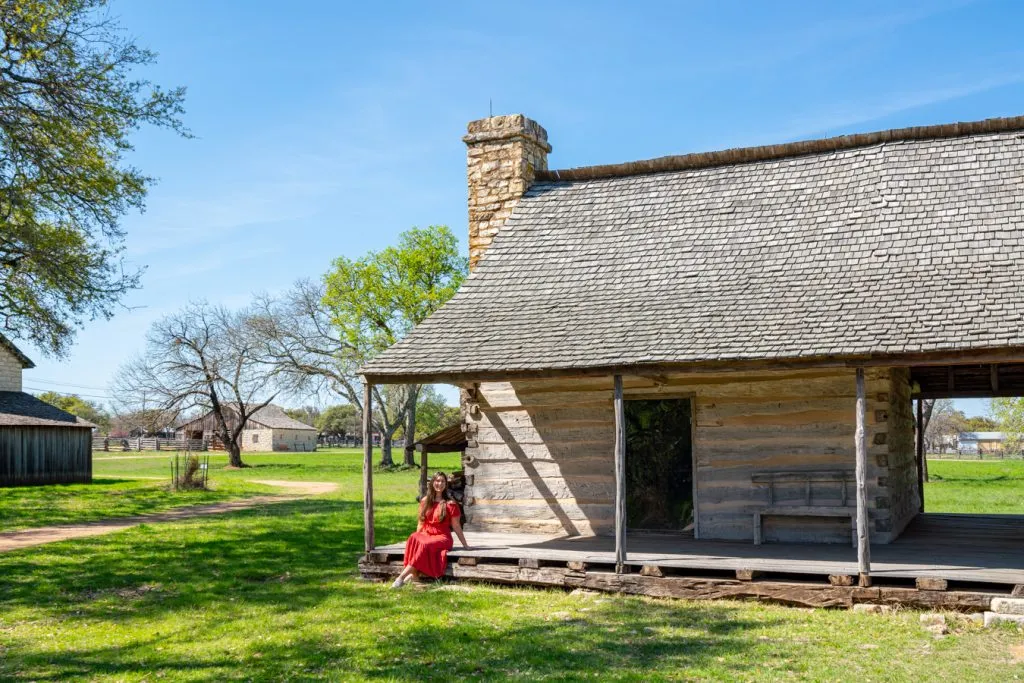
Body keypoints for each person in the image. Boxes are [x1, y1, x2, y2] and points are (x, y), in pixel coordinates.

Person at [392, 471, 469, 588]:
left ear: (446, 484)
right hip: (426, 534)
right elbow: (421, 522)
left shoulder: (450, 504)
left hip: (442, 537)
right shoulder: (425, 501)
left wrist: (465, 545)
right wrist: (418, 538)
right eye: (437, 481)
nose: (440, 483)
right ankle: (414, 576)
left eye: (443, 481)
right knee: (414, 537)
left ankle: (401, 578)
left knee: (425, 545)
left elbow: (456, 526)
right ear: (433, 483)